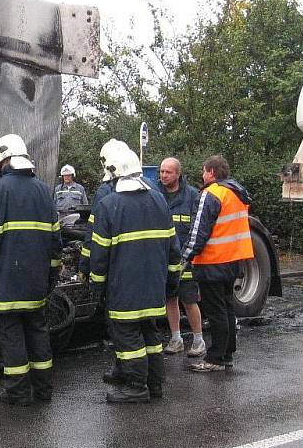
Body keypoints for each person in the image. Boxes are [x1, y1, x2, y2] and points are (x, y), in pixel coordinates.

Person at [0, 134, 63, 405]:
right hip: (36, 283)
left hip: (5, 282)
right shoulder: (43, 191)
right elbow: (55, 241)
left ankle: (19, 392)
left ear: (6, 160)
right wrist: (52, 275)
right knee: (37, 333)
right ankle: (43, 390)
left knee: (12, 338)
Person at [88, 139, 181, 403]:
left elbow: (100, 254)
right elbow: (173, 248)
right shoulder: (159, 201)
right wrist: (172, 281)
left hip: (124, 288)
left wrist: (97, 285)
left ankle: (136, 386)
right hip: (154, 286)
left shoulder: (109, 206)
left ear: (114, 173)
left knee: (127, 337)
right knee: (150, 332)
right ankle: (155, 384)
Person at [181, 155, 254, 373]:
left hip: (213, 260)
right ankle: (227, 353)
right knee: (227, 307)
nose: (202, 175)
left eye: (204, 171)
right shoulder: (237, 193)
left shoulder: (211, 193)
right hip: (234, 259)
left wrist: (186, 256)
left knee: (215, 311)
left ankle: (215, 358)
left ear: (211, 172)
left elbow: (198, 230)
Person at [157, 157, 204, 357]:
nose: (164, 175)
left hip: (186, 258)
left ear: (178, 174)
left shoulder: (192, 195)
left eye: (168, 172)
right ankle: (176, 339)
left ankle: (198, 340)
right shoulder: (155, 194)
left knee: (189, 299)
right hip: (164, 258)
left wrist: (189, 256)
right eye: (161, 172)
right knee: (170, 298)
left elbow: (198, 228)